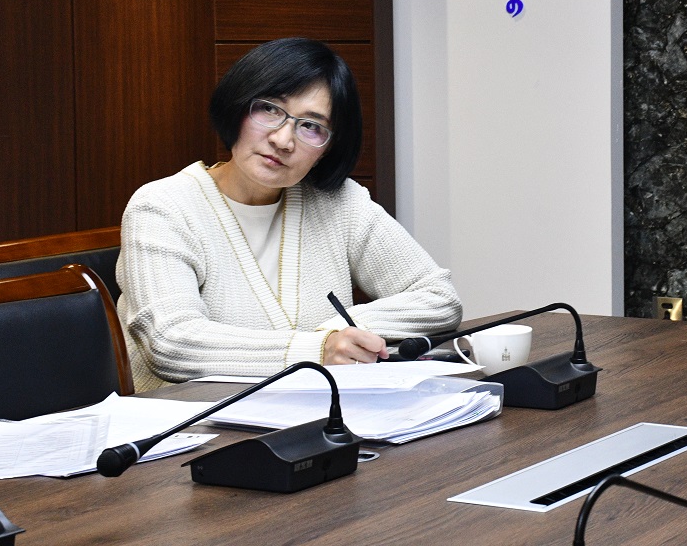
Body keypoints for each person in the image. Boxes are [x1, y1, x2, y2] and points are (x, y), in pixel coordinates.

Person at [117, 38, 462, 390]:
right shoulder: (162, 206)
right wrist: (315, 350)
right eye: (269, 109)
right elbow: (172, 343)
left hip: (316, 412)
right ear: (237, 108)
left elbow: (439, 298)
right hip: (192, 418)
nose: (283, 140)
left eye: (311, 126)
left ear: (328, 148)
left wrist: (338, 333)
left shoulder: (341, 203)